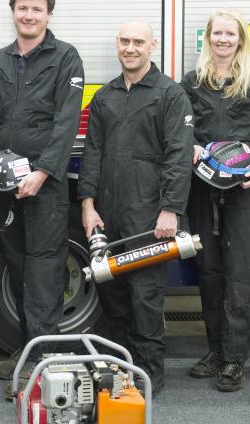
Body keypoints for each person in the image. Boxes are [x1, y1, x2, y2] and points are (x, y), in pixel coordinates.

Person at [0, 0, 85, 399]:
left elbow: (66, 122)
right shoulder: (1, 61)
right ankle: (27, 346)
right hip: (4, 184)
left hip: (44, 186)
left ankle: (45, 356)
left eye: (36, 8)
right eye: (22, 8)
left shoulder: (66, 58)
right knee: (17, 262)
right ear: (13, 11)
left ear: (48, 13)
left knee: (44, 267)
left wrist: (43, 173)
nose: (29, 15)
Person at [78, 20, 194, 395]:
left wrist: (170, 209)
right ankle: (119, 365)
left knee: (145, 294)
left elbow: (178, 155)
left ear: (153, 45)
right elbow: (91, 153)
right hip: (108, 210)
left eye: (138, 42)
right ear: (117, 44)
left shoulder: (170, 94)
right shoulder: (105, 96)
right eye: (125, 41)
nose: (130, 48)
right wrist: (88, 205)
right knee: (111, 292)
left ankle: (148, 374)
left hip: (148, 211)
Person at [180, 9, 250, 392]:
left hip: (244, 188)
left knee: (240, 270)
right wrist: (189, 147)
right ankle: (215, 350)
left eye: (230, 33)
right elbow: (181, 125)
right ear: (207, 38)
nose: (223, 39)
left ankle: (234, 359)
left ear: (241, 39)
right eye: (217, 33)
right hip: (204, 185)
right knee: (208, 268)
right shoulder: (192, 82)